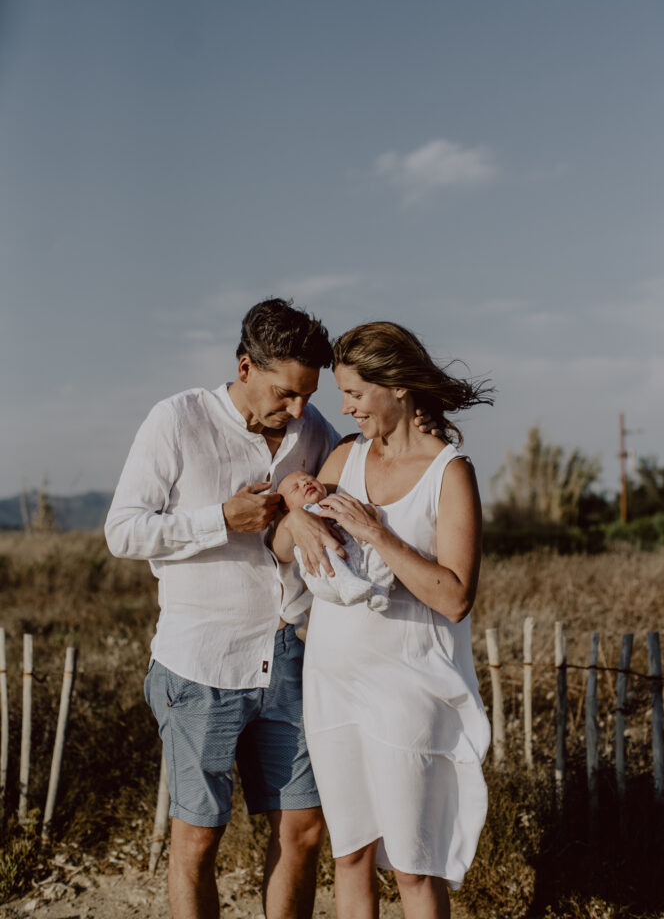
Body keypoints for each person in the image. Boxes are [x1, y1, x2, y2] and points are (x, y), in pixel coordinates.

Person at [104, 298, 438, 919]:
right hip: (200, 663)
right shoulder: (176, 420)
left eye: (307, 395)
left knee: (305, 829)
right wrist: (219, 520)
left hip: (288, 657)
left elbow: (360, 462)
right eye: (285, 393)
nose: (298, 409)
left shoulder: (312, 432)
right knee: (198, 839)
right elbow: (122, 531)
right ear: (244, 366)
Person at [273, 321, 495, 919]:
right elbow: (283, 546)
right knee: (349, 854)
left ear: (397, 387)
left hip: (408, 684)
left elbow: (453, 596)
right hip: (332, 680)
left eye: (355, 393)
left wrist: (377, 533)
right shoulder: (345, 455)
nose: (344, 407)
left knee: (413, 865)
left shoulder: (450, 473)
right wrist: (294, 521)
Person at [276, 470, 395, 611]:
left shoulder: (338, 499)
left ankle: (379, 590)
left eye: (310, 479)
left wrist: (368, 512)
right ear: (286, 510)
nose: (305, 483)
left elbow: (369, 512)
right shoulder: (304, 515)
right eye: (296, 488)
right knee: (322, 549)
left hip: (358, 557)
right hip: (327, 577)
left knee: (375, 548)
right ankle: (346, 583)